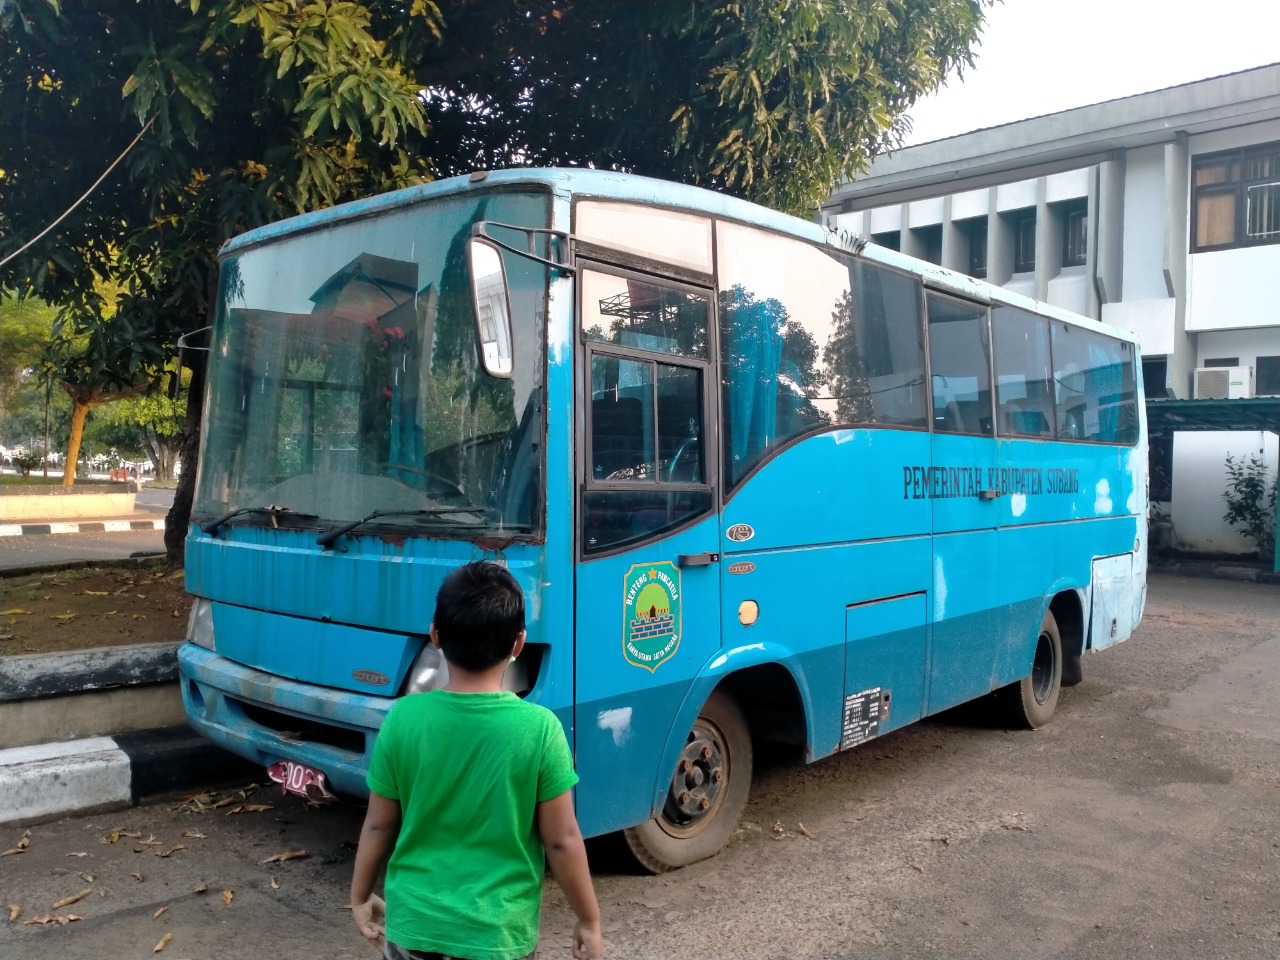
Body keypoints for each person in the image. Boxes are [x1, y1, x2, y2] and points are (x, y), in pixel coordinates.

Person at [350, 561, 603, 960]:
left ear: (435, 634)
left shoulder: (402, 720)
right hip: (498, 935)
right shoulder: (540, 730)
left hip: (414, 926)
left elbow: (379, 824)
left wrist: (361, 896)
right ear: (519, 643)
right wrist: (589, 919)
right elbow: (561, 839)